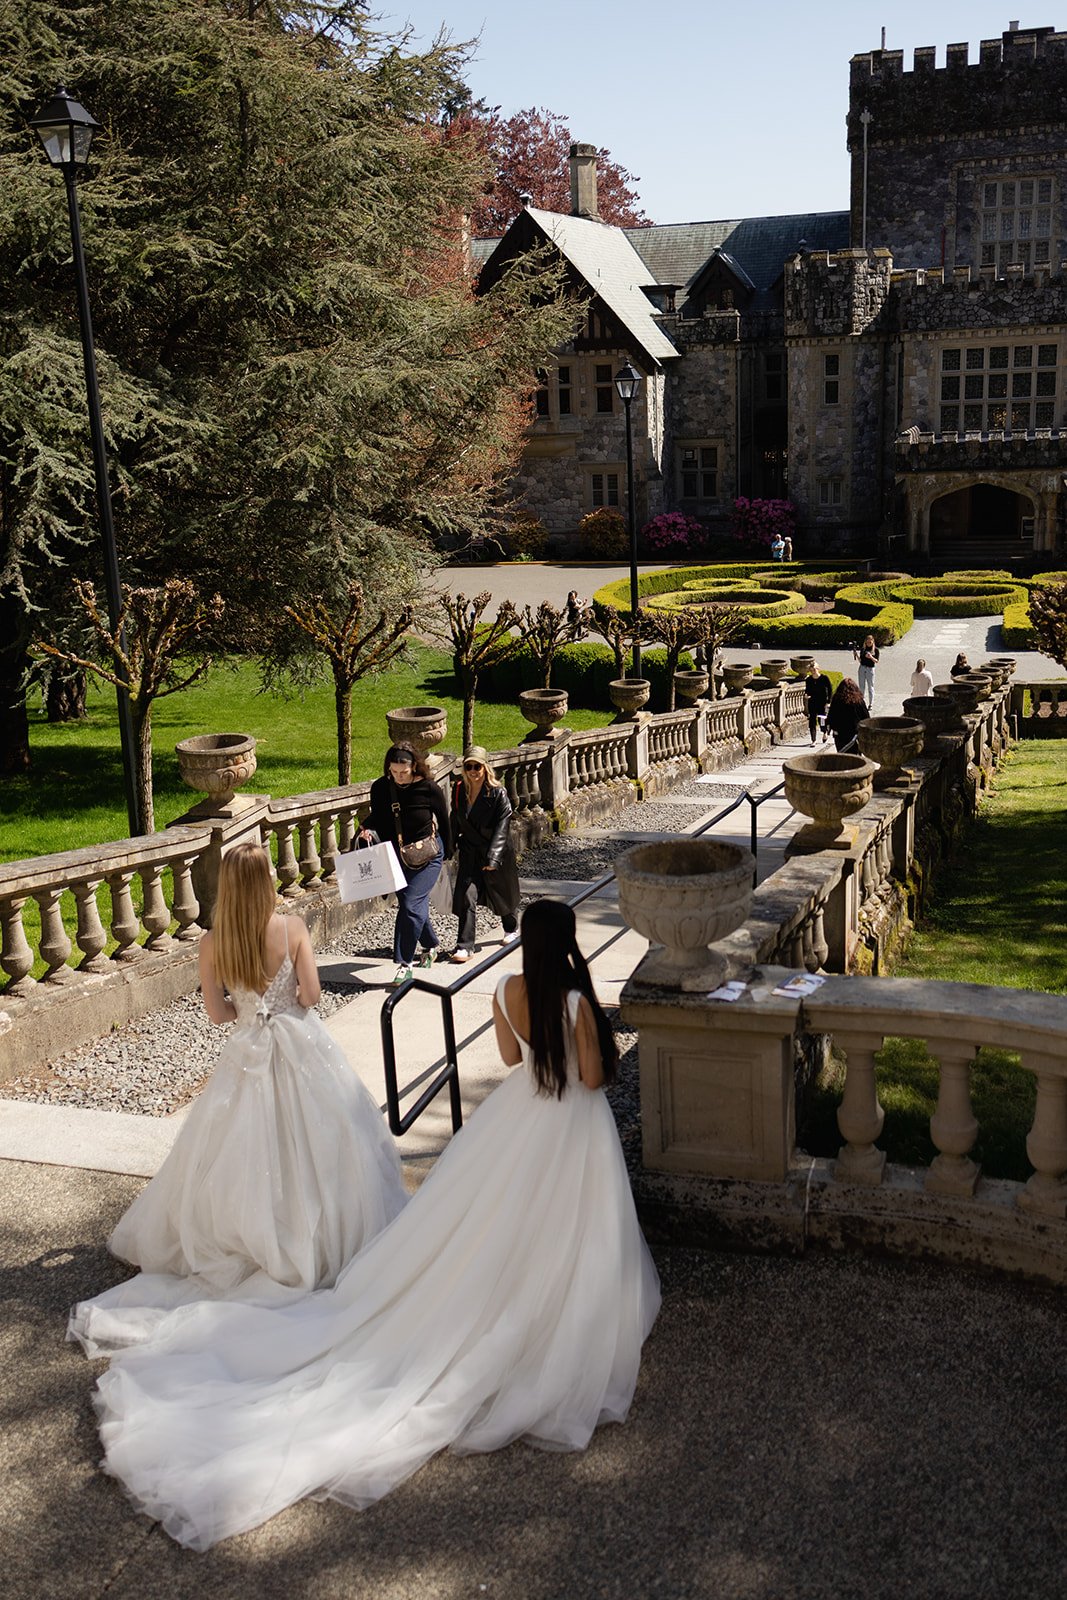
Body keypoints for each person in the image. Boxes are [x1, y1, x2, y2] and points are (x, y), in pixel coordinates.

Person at [79, 900, 661, 1551]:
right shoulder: (578, 1004)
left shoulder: (503, 987)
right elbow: (588, 1076)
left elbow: (506, 1056)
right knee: (569, 1222)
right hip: (569, 1130)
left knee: (480, 1221)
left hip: (517, 1116)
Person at [68, 842, 406, 1357]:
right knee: (324, 1142)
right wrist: (285, 1000)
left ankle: (245, 1242)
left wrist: (249, 1007)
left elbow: (218, 1014)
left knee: (237, 1151)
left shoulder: (212, 943)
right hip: (300, 1043)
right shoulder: (291, 929)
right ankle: (314, 1242)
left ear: (225, 885)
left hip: (248, 1048)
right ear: (267, 879)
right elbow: (313, 995)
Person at [361, 743, 451, 985]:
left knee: (411, 905)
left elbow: (444, 819)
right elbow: (379, 816)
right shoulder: (381, 787)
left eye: (404, 772)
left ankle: (404, 963)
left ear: (414, 767)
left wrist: (449, 853)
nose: (399, 777)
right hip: (396, 855)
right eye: (394, 772)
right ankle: (431, 945)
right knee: (411, 905)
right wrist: (366, 828)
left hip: (427, 854)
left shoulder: (428, 788)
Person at [450, 747, 521, 963]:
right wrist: (448, 847)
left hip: (494, 851)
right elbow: (455, 818)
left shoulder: (497, 793)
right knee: (466, 896)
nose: (473, 771)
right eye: (468, 766)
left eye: (477, 766)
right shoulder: (459, 789)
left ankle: (511, 928)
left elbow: (503, 824)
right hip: (470, 851)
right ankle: (464, 946)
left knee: (501, 893)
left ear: (485, 767)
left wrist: (494, 857)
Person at [826, 677, 870, 751]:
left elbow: (831, 716)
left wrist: (829, 728)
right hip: (855, 735)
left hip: (840, 735)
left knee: (842, 757)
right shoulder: (858, 700)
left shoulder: (836, 699)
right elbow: (866, 717)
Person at [803, 662, 833, 744]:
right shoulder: (809, 680)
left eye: (815, 669)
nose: (813, 671)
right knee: (812, 720)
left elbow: (830, 690)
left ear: (818, 669)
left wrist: (828, 702)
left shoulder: (824, 678)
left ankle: (824, 732)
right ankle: (813, 740)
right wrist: (806, 695)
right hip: (812, 702)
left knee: (821, 720)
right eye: (811, 670)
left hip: (822, 703)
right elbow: (807, 690)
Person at [854, 634, 879, 708]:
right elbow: (861, 660)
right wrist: (856, 655)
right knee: (861, 686)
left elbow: (876, 661)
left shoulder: (875, 650)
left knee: (870, 686)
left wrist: (871, 657)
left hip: (870, 669)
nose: (868, 644)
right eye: (867, 642)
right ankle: (862, 702)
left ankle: (871, 704)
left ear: (872, 642)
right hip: (862, 668)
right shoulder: (863, 649)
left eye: (870, 642)